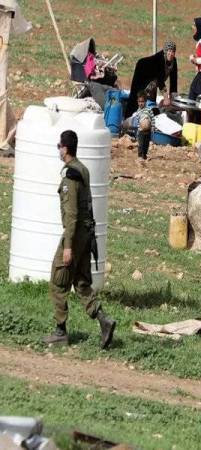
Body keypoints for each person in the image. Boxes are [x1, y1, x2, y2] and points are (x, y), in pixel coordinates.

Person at [43, 130, 116, 349]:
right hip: (87, 234)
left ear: (65, 148)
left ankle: (60, 331)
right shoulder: (82, 169)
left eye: (59, 146)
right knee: (82, 282)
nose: (58, 149)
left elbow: (72, 213)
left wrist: (68, 246)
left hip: (74, 236)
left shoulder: (70, 176)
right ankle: (104, 320)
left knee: (58, 282)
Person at [124, 41, 178, 118]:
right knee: (136, 96)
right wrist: (166, 98)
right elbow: (160, 80)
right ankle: (128, 117)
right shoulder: (159, 58)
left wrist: (173, 99)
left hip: (154, 80)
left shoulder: (174, 61)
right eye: (169, 51)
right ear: (165, 51)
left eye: (173, 51)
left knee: (151, 100)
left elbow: (174, 81)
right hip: (143, 73)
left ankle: (149, 116)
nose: (171, 54)